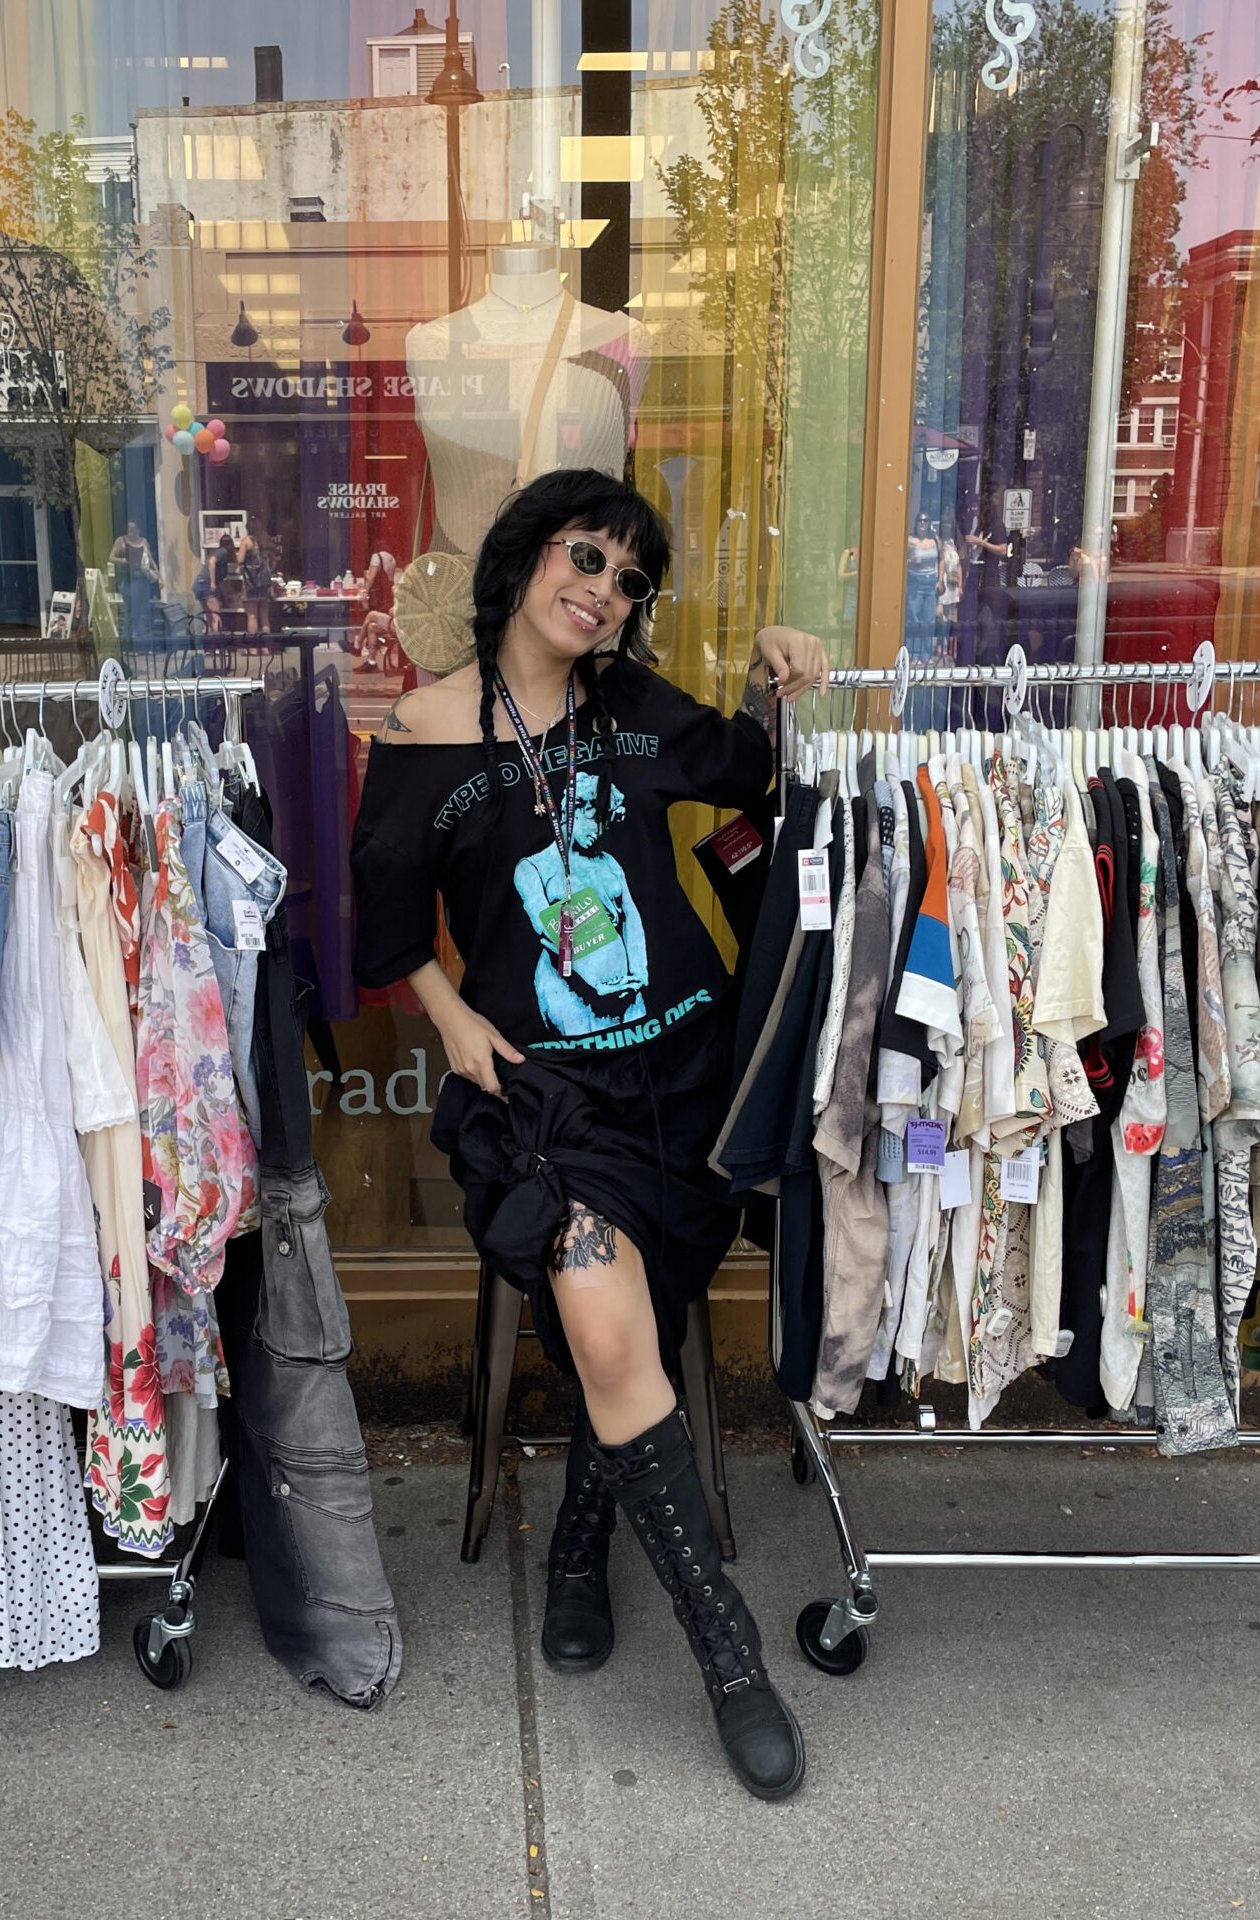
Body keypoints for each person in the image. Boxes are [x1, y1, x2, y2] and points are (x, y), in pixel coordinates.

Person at [350, 468, 826, 1800]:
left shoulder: (632, 707)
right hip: (545, 1101)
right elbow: (383, 924)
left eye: (627, 579)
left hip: (691, 1077)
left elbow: (751, 769)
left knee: (634, 1329)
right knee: (612, 1329)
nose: (603, 590)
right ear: (526, 556)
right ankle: (732, 1660)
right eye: (584, 556)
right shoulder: (424, 730)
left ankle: (578, 1528)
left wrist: (772, 668)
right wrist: (450, 1016)